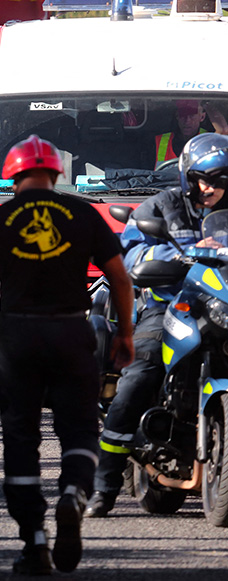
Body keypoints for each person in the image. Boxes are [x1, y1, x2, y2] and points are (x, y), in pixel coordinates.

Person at [0, 134, 134, 575]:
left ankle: (34, 542)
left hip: (18, 340)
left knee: (21, 439)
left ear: (13, 176)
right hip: (72, 333)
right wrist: (124, 335)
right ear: (56, 174)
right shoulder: (81, 213)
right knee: (78, 428)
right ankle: (74, 493)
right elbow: (122, 280)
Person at [86, 132, 228, 518]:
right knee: (138, 375)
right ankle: (104, 486)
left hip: (221, 302)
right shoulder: (163, 206)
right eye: (203, 178)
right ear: (187, 175)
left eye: (220, 180)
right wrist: (178, 257)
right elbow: (132, 254)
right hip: (170, 303)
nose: (211, 187)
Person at [154, 99, 228, 165]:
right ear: (177, 117)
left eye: (192, 116)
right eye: (183, 116)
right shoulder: (157, 141)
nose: (187, 121)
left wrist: (206, 104)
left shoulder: (208, 139)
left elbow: (223, 131)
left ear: (202, 117)